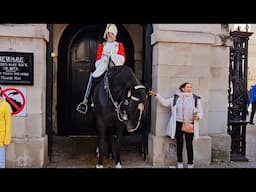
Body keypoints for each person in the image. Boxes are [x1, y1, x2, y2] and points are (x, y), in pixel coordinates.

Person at [148, 82, 203, 168]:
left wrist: (198, 117)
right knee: (179, 144)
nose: (190, 88)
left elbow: (200, 111)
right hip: (178, 123)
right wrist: (156, 95)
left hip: (190, 124)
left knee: (189, 145)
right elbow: (165, 103)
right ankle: (180, 163)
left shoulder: (195, 98)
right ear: (183, 88)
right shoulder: (176, 98)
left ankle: (190, 164)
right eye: (188, 87)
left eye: (191, 87)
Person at [77, 23, 126, 114]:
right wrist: (104, 59)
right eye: (112, 34)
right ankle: (85, 101)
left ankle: (125, 104)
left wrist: (113, 57)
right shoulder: (102, 46)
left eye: (115, 34)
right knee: (93, 76)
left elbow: (122, 58)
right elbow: (98, 60)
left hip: (116, 68)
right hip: (103, 66)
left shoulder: (119, 45)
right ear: (108, 34)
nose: (114, 36)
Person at [0, 85, 12, 168]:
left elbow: (8, 122)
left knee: (1, 162)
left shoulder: (5, 105)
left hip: (1, 137)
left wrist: (7, 138)